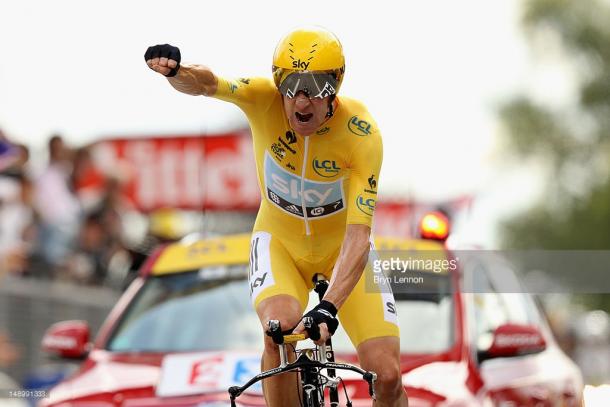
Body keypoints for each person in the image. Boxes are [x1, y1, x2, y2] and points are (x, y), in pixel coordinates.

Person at [145, 26, 408, 406]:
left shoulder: (361, 134)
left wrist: (329, 307)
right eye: (291, 85)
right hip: (279, 243)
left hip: (341, 252)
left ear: (335, 87)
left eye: (316, 86)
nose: (302, 100)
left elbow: (358, 236)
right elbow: (205, 82)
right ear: (278, 83)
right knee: (279, 332)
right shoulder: (261, 99)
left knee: (387, 376)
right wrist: (175, 71)